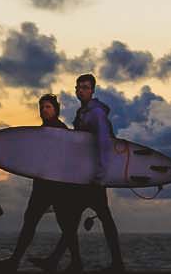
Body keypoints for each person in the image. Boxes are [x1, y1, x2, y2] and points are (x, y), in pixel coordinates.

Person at [34, 72, 126, 272]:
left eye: (85, 87)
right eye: (78, 87)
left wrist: (101, 174)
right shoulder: (82, 112)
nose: (81, 90)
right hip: (84, 177)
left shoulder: (96, 113)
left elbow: (104, 142)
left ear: (92, 90)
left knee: (99, 219)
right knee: (74, 219)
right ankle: (65, 261)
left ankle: (115, 263)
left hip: (94, 177)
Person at [0, 94, 80, 273]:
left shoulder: (60, 130)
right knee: (30, 222)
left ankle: (75, 261)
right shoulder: (40, 131)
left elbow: (66, 158)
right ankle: (15, 261)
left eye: (48, 107)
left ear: (56, 110)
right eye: (41, 107)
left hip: (57, 187)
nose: (43, 110)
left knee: (65, 226)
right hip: (42, 186)